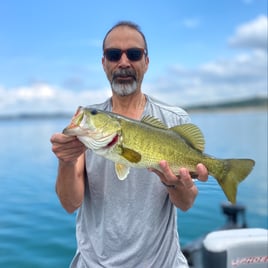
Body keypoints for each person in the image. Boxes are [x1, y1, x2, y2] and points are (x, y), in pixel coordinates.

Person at [50, 21, 208, 268]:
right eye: (114, 55)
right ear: (104, 63)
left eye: (133, 54)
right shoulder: (86, 129)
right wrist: (66, 161)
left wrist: (172, 182)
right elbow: (70, 204)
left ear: (146, 62)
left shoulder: (175, 120)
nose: (123, 62)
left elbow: (186, 203)